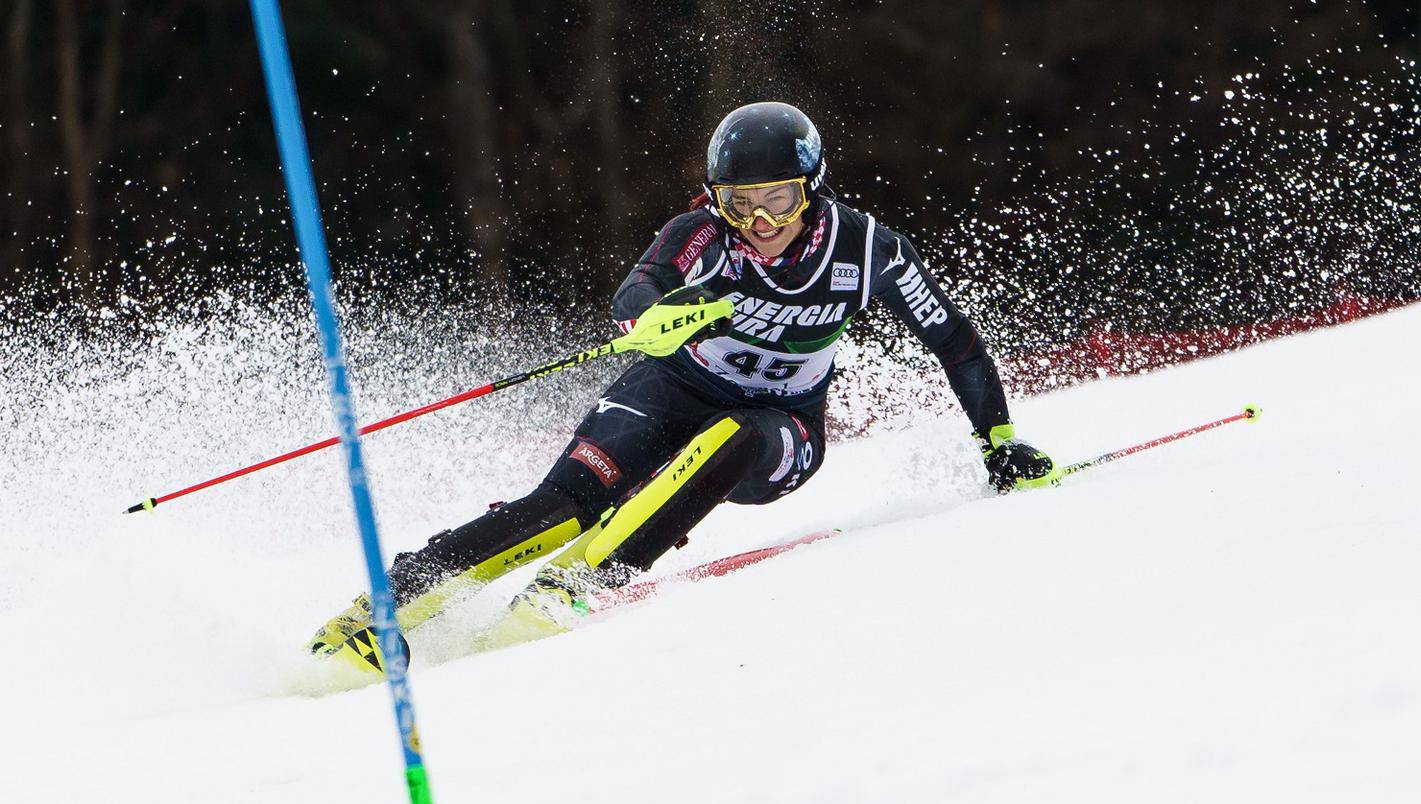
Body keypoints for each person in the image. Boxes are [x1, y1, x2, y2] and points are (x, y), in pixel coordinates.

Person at [308, 101, 1057, 669]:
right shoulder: (701, 235)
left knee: (734, 437)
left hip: (779, 426)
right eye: (739, 202)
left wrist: (997, 440)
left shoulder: (868, 250)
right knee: (565, 503)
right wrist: (669, 313)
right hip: (670, 388)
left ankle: (577, 584)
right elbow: (635, 295)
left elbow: (954, 342)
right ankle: (390, 602)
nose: (759, 221)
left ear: (813, 190)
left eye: (778, 200)